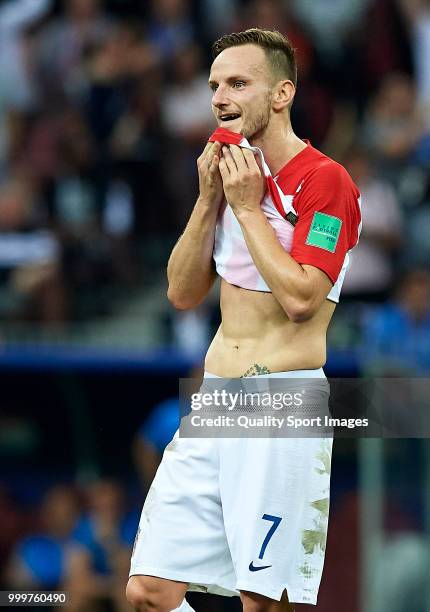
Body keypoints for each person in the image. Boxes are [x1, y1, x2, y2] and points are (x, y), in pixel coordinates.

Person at [127, 28, 361, 612]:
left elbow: (303, 299)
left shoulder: (325, 180)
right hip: (216, 402)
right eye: (213, 85)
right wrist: (210, 199)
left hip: (282, 402)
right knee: (149, 592)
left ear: (281, 94)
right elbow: (181, 292)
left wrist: (249, 207)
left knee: (265, 603)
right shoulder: (228, 175)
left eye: (237, 83)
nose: (219, 97)